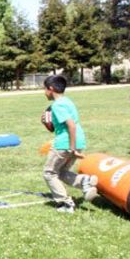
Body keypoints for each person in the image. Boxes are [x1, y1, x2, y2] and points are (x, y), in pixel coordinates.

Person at [42, 75, 99, 213]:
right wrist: (46, 123)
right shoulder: (67, 101)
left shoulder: (57, 105)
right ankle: (84, 181)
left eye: (44, 89)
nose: (44, 92)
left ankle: (65, 203)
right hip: (78, 140)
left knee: (49, 173)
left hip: (65, 143)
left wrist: (72, 149)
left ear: (51, 89)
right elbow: (60, 127)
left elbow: (71, 125)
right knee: (61, 172)